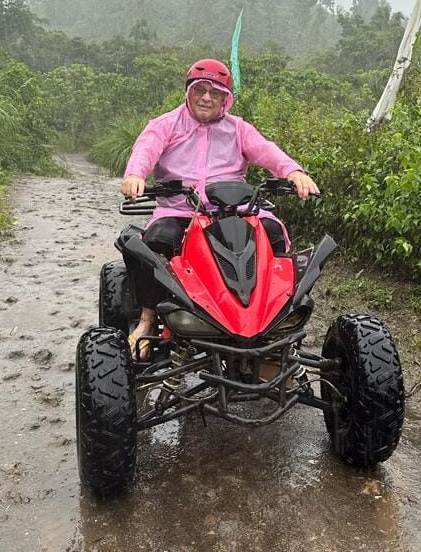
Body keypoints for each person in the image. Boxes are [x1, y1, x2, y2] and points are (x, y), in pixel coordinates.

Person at [120, 58, 319, 357]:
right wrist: (135, 174)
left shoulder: (238, 129)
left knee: (273, 232)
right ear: (188, 91)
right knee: (156, 242)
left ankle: (271, 321)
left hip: (237, 211)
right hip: (180, 209)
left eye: (216, 93)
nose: (207, 97)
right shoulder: (165, 125)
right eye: (200, 89)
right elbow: (146, 150)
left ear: (226, 99)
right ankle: (148, 321)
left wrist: (293, 172)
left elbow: (267, 151)